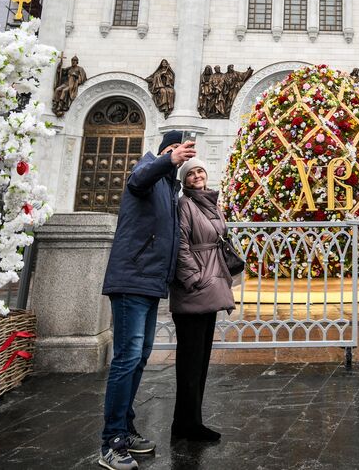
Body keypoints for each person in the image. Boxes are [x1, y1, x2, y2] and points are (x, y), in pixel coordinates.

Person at [98, 130, 195, 470]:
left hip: (151, 283)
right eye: (178, 149)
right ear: (167, 149)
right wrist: (167, 159)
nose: (184, 155)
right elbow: (139, 179)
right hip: (132, 280)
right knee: (126, 359)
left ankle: (125, 427)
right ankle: (111, 441)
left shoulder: (169, 189)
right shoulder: (148, 171)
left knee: (138, 358)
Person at [169, 158, 236, 442]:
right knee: (190, 361)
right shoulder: (185, 205)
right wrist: (194, 278)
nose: (196, 175)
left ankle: (189, 421)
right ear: (184, 180)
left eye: (200, 171)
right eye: (191, 173)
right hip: (196, 288)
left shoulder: (210, 202)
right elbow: (180, 243)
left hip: (210, 286)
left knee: (200, 359)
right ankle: (186, 423)